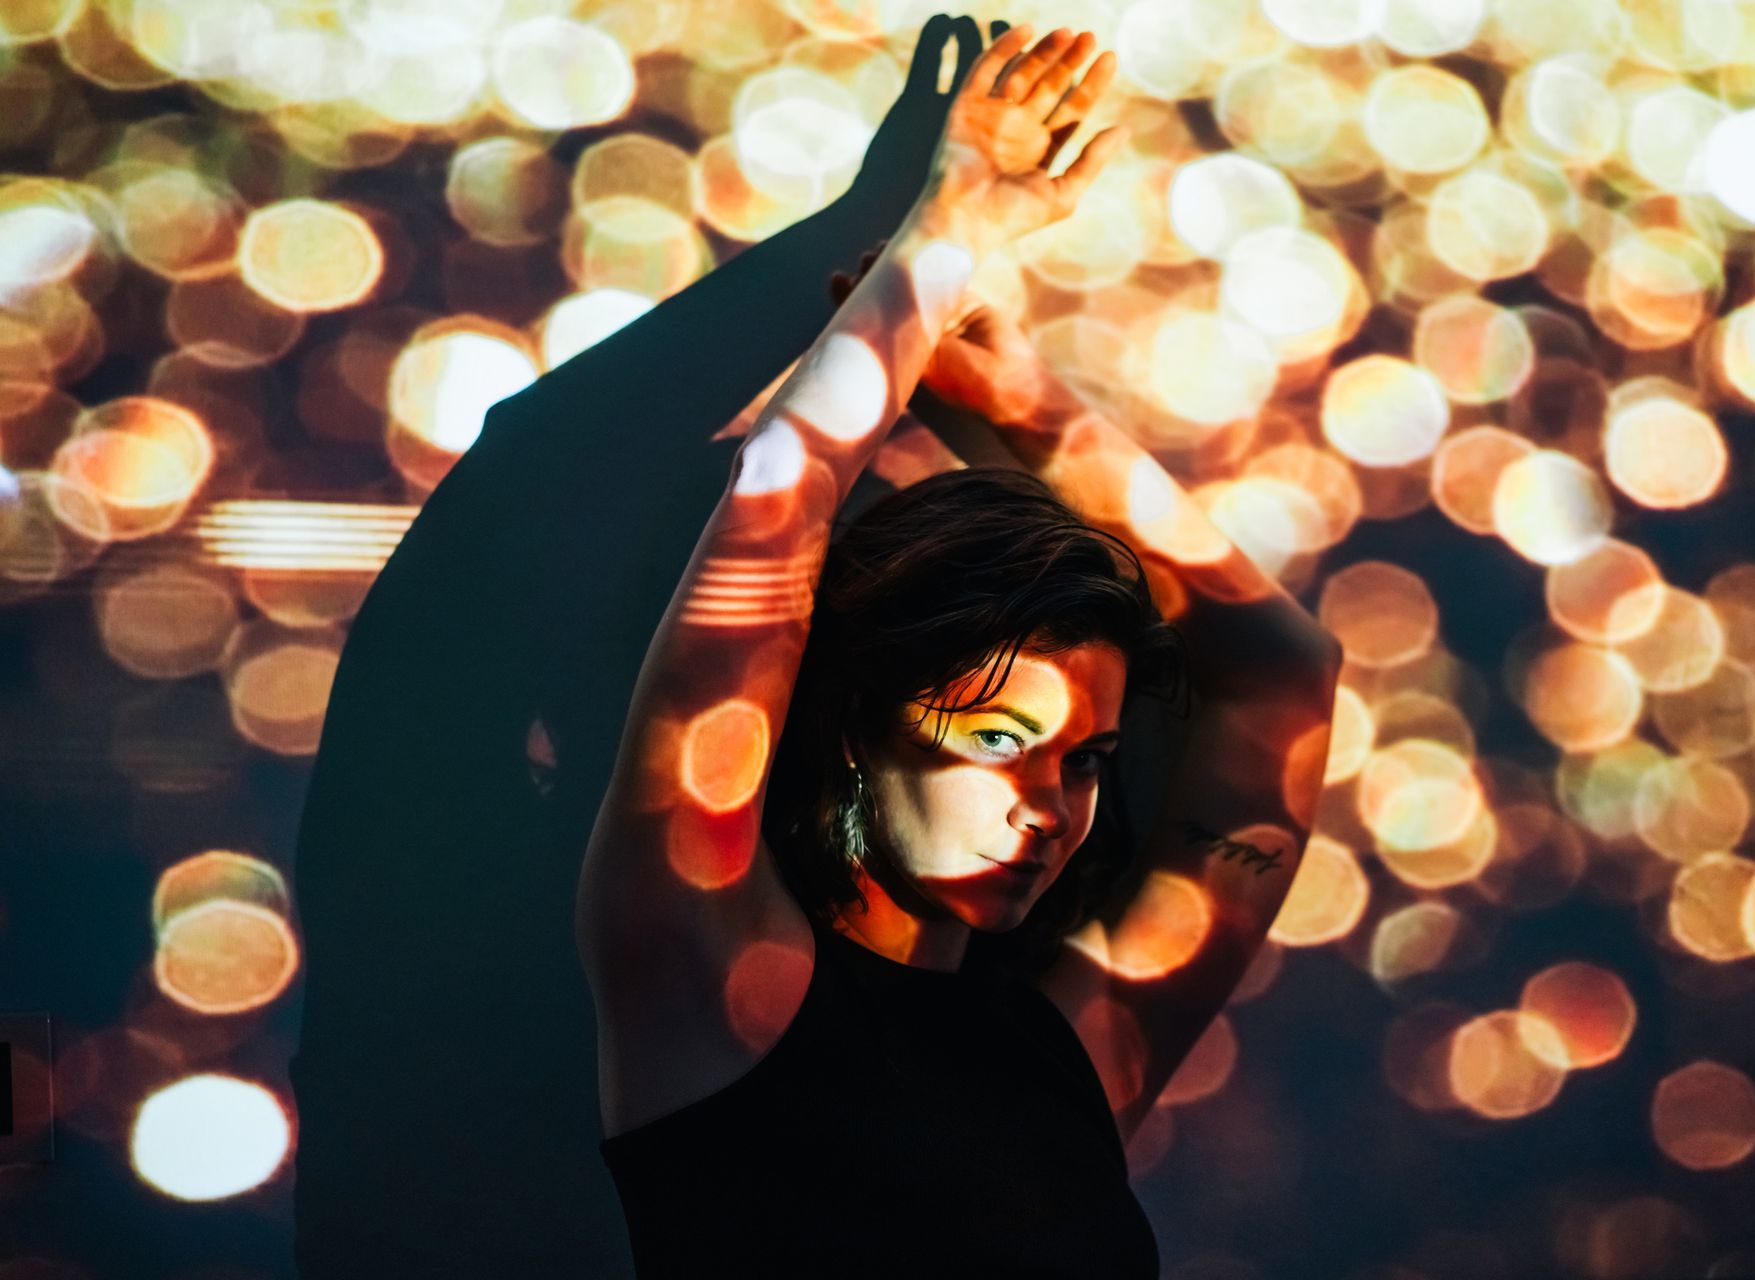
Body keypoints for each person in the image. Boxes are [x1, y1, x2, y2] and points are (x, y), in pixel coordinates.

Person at [578, 21, 1344, 1275]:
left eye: (1087, 757)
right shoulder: (710, 969)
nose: (1051, 807)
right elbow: (779, 493)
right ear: (857, 724)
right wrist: (954, 226)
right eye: (998, 738)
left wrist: (1034, 407)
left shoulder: (1072, 1049)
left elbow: (1285, 675)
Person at [290, 17, 1004, 1275]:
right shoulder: (884, 977)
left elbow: (527, 473)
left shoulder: (437, 902)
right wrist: (911, 273)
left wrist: (878, 240)